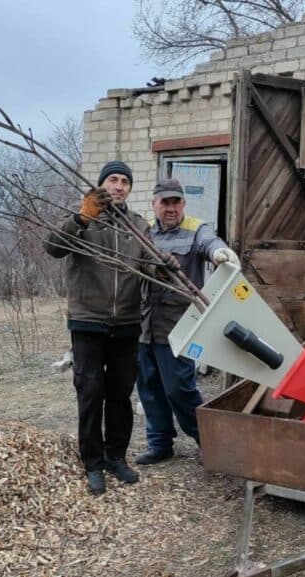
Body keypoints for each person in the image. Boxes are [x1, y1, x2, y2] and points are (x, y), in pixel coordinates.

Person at [44, 160, 150, 495]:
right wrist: (80, 218)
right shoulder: (84, 220)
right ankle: (92, 463)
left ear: (130, 188)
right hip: (88, 320)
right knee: (91, 393)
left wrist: (164, 268)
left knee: (120, 393)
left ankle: (115, 457)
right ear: (102, 185)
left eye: (124, 182)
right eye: (113, 180)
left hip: (128, 322)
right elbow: (53, 247)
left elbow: (151, 264)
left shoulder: (138, 226)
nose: (119, 186)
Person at [135, 178, 239, 465]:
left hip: (178, 325)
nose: (171, 208)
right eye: (165, 202)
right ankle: (160, 444)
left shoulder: (195, 229)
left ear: (184, 203)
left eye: (176, 202)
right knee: (150, 388)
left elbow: (209, 242)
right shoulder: (144, 233)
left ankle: (210, 442)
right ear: (154, 204)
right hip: (145, 324)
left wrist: (219, 253)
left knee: (179, 388)